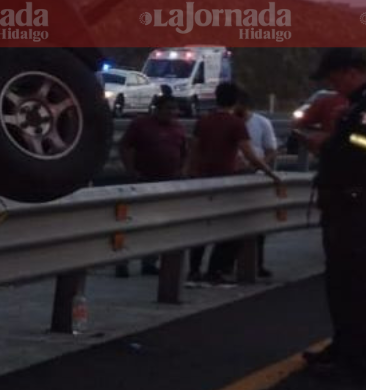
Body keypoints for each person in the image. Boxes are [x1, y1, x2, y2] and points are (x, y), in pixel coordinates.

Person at [298, 49, 366, 386]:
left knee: (355, 288)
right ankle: (343, 348)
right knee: (340, 285)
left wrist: (327, 144)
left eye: (334, 78)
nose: (332, 85)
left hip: (360, 205)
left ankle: (356, 362)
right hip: (346, 205)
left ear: (351, 72)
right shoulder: (362, 101)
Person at [186, 82, 283, 284]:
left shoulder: (204, 121)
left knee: (203, 225)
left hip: (203, 179)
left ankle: (194, 269)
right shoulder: (235, 124)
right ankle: (216, 270)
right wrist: (269, 173)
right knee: (232, 227)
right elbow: (250, 155)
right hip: (226, 180)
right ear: (236, 101)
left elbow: (194, 150)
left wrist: (190, 173)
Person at [115, 94, 189, 276]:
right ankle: (122, 262)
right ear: (157, 109)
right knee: (132, 223)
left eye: (174, 109)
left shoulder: (178, 128)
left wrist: (182, 171)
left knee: (158, 224)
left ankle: (149, 261)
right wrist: (131, 170)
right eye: (168, 108)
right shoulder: (140, 124)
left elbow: (185, 151)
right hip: (142, 181)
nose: (172, 112)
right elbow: (125, 146)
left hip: (167, 183)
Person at [235, 90, 279, 278]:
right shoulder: (230, 123)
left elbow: (271, 150)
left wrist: (259, 166)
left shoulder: (262, 123)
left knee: (257, 224)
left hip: (256, 178)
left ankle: (256, 263)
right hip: (233, 177)